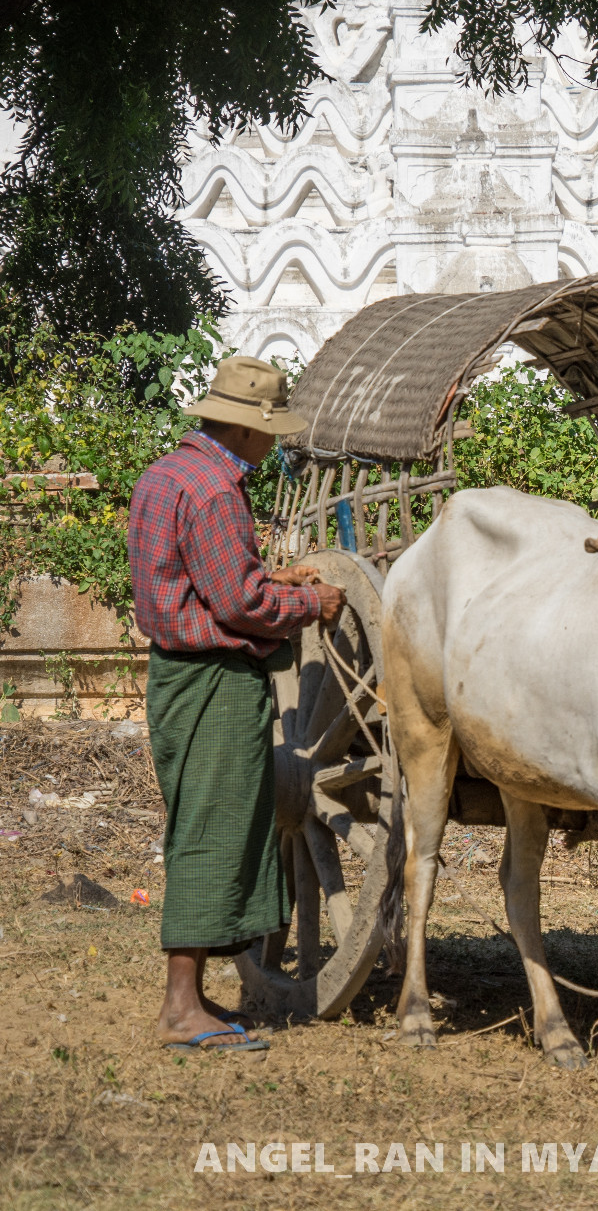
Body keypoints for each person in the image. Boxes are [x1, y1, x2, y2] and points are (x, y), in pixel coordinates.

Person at [127, 356, 343, 1052]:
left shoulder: (165, 476)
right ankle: (181, 1010)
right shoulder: (218, 491)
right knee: (209, 832)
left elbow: (202, 576)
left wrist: (270, 575)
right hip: (215, 680)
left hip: (174, 675)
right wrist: (312, 601)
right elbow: (241, 602)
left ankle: (189, 998)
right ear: (248, 430)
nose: (274, 443)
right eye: (270, 431)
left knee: (197, 822)